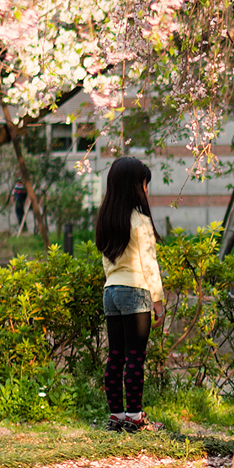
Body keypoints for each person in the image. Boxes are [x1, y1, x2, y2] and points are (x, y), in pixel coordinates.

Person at [94, 157, 166, 433]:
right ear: (134, 187)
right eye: (144, 184)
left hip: (110, 292)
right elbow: (149, 266)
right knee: (135, 356)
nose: (147, 190)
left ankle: (117, 415)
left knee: (116, 355)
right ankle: (135, 416)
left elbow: (106, 262)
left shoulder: (106, 219)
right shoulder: (140, 221)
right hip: (135, 292)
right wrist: (158, 305)